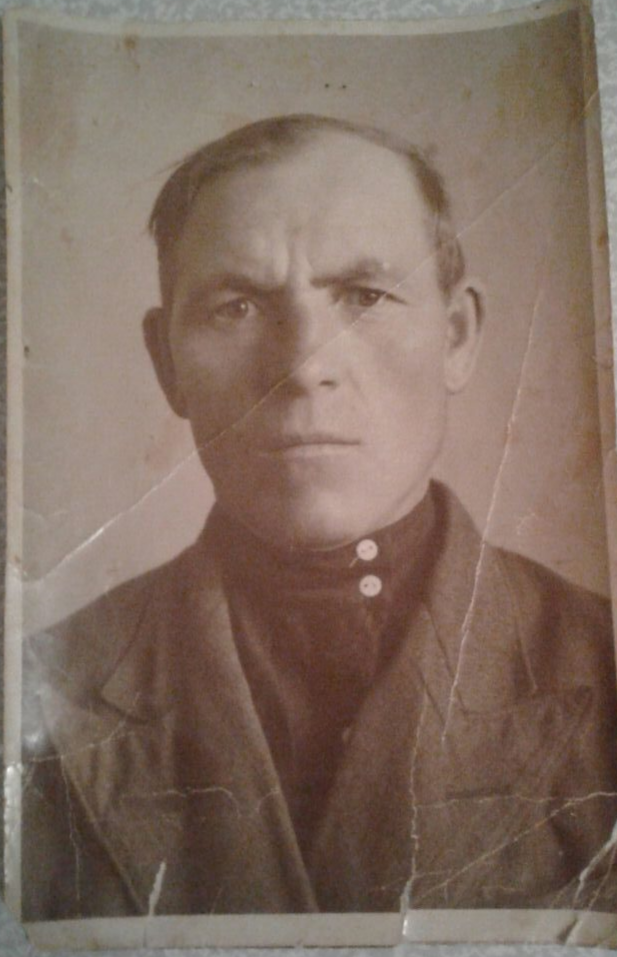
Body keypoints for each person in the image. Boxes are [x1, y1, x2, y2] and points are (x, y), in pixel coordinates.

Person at [22, 114, 617, 921]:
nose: (302, 366)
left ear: (455, 335)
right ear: (167, 363)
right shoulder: (36, 695)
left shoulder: (600, 664)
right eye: (236, 306)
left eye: (364, 296)